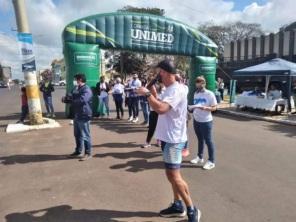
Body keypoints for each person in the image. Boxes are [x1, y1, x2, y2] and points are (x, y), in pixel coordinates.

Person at [137, 59, 201, 222]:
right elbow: (158, 102)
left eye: (159, 72)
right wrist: (151, 89)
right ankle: (178, 205)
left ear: (165, 73)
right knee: (171, 174)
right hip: (167, 137)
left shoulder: (176, 90)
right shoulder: (170, 89)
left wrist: (146, 93)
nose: (158, 75)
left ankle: (192, 209)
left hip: (173, 139)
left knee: (174, 176)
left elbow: (161, 109)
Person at [189, 76, 217, 170]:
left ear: (204, 83)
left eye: (200, 82)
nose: (198, 84)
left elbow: (214, 108)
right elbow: (196, 105)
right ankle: (200, 157)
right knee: (200, 139)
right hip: (196, 120)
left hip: (206, 121)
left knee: (208, 141)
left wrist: (205, 108)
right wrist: (191, 108)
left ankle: (211, 161)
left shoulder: (210, 94)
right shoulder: (195, 93)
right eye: (197, 82)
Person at [67, 74, 93, 161]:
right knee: (77, 134)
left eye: (76, 79)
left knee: (85, 135)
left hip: (84, 114)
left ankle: (88, 153)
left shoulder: (86, 89)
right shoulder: (76, 88)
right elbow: (71, 94)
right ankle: (78, 151)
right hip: (77, 114)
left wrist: (72, 101)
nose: (74, 81)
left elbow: (83, 100)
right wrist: (67, 98)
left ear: (80, 80)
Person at [141, 81, 164, 148]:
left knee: (159, 128)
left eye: (153, 88)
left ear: (156, 89)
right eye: (151, 89)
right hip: (153, 112)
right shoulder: (150, 94)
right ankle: (147, 142)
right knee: (151, 128)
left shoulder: (162, 94)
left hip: (159, 113)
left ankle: (159, 141)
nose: (151, 90)